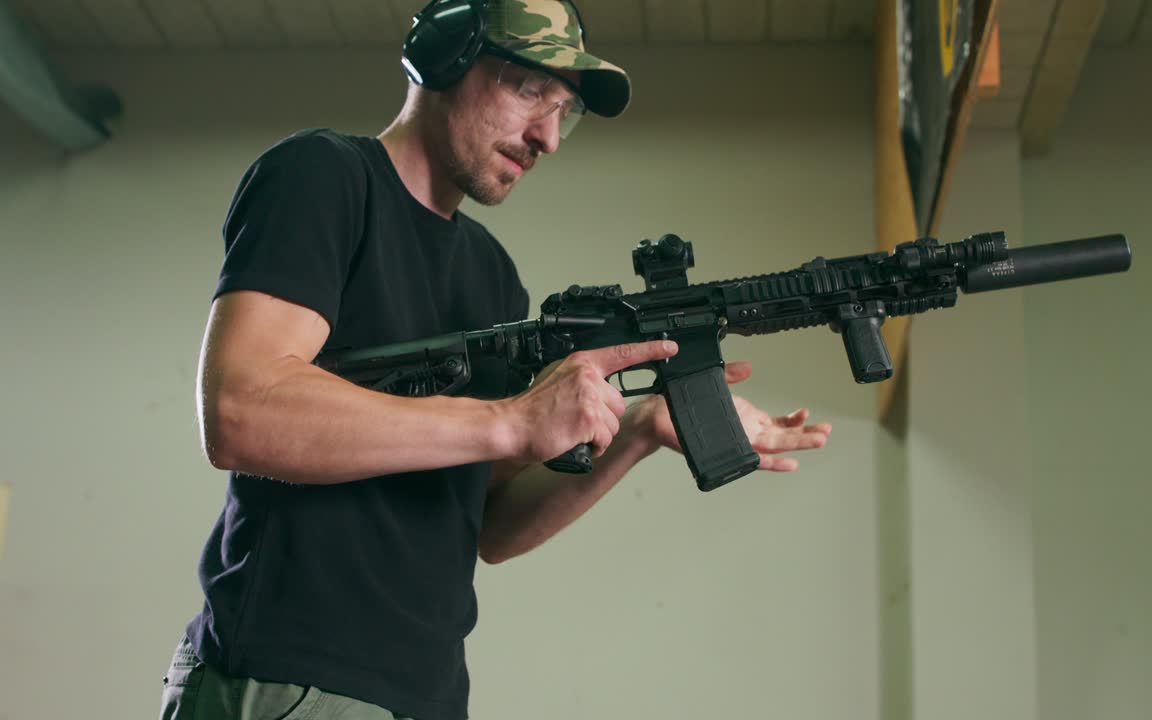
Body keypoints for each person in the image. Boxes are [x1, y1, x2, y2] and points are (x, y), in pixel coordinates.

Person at [159, 1, 832, 718]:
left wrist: (639, 428)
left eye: (566, 111)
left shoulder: (491, 274)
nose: (549, 136)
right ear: (445, 56)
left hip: (426, 692)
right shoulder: (325, 176)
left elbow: (490, 526)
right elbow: (242, 409)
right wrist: (512, 420)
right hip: (289, 677)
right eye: (530, 89)